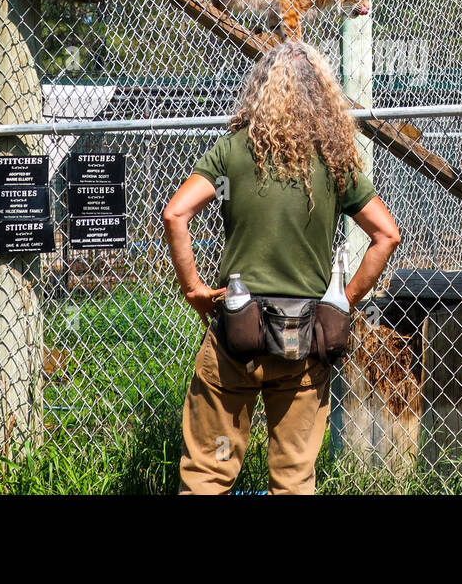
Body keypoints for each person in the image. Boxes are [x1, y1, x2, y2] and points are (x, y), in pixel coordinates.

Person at [162, 41, 401, 495]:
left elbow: (176, 213)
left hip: (236, 338)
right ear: (323, 96)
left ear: (260, 91)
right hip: (305, 343)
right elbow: (386, 235)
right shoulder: (336, 162)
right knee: (293, 477)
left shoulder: (232, 152)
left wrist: (192, 288)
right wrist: (344, 300)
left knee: (211, 472)